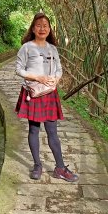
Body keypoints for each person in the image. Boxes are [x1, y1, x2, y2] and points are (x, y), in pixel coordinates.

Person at [15, 12, 78, 182]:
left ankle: (60, 167)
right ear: (33, 29)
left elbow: (58, 68)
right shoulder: (27, 47)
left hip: (49, 93)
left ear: (49, 29)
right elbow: (19, 69)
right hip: (34, 92)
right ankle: (37, 165)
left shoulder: (52, 49)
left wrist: (55, 80)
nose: (42, 28)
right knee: (34, 130)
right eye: (39, 25)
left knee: (53, 132)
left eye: (45, 26)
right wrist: (37, 77)